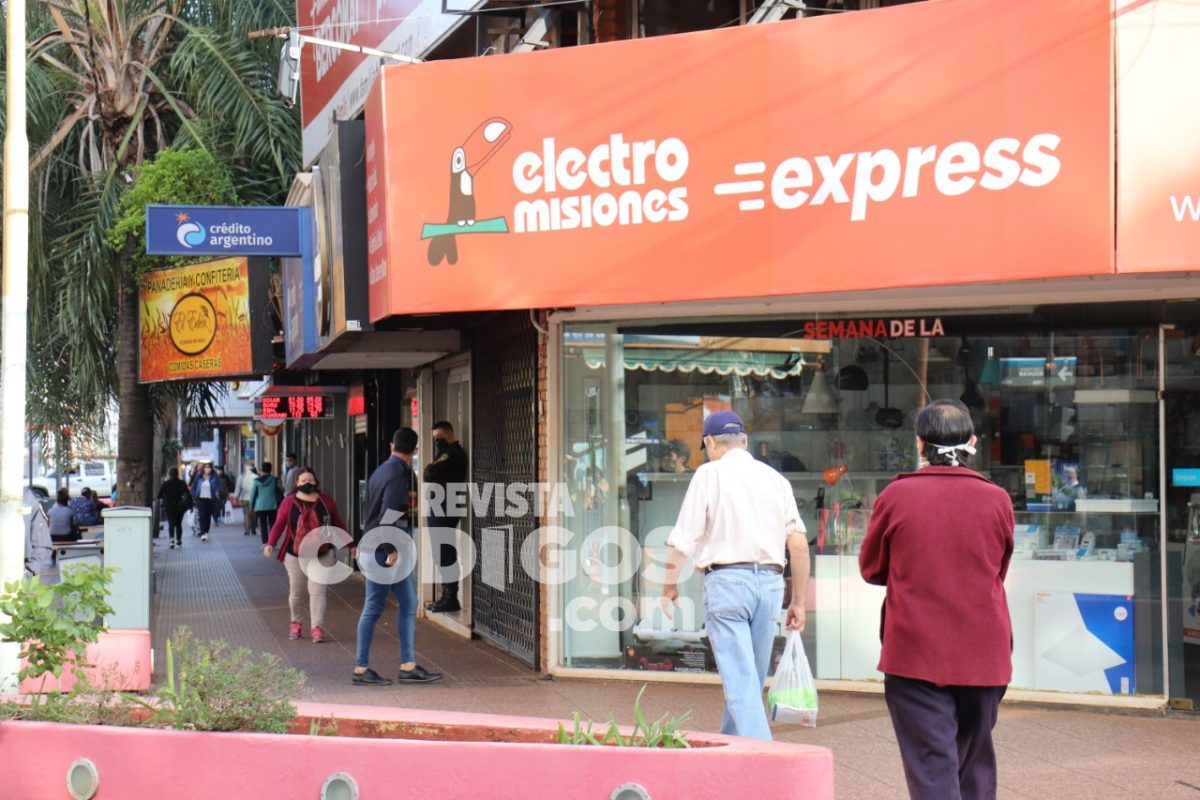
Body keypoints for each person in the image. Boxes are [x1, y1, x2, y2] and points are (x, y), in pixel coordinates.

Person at [858, 399, 1014, 800]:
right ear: (973, 442)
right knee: (976, 760)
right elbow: (999, 569)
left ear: (919, 443)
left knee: (932, 764)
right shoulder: (997, 498)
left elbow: (872, 568)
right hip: (985, 651)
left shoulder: (897, 494)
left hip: (915, 650)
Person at [660, 410, 809, 741]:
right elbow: (798, 546)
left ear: (710, 443)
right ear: (745, 441)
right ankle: (733, 747)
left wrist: (668, 584)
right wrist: (798, 601)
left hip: (727, 583)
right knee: (749, 678)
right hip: (770, 585)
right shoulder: (776, 480)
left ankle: (764, 759)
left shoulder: (708, 475)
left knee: (741, 680)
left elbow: (683, 538)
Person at [354, 427, 442, 686]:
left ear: (392, 445)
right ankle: (361, 668)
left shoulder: (382, 470)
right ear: (415, 450)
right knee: (374, 607)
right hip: (384, 548)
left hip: (378, 545)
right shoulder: (398, 474)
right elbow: (390, 511)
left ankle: (408, 665)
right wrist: (389, 549)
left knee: (408, 602)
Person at [262, 467, 346, 644]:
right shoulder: (288, 502)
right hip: (295, 555)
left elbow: (337, 522)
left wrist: (351, 544)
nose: (307, 483)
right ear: (296, 484)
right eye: (303, 481)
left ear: (316, 482)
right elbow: (279, 525)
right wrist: (270, 543)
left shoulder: (326, 501)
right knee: (297, 592)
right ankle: (296, 622)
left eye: (310, 480)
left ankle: (317, 627)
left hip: (322, 554)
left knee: (317, 591)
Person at [424, 420, 468, 613]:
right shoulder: (444, 454)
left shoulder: (454, 454)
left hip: (447, 506)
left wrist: (433, 467)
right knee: (439, 552)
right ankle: (445, 595)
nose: (437, 441)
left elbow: (429, 472)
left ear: (449, 435)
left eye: (440, 437)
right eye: (434, 438)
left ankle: (451, 597)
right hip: (439, 506)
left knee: (445, 552)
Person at [157, 467, 192, 550]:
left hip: (169, 505)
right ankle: (179, 540)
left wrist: (166, 497)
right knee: (178, 524)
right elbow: (187, 494)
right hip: (179, 506)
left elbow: (159, 495)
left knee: (171, 523)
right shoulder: (182, 483)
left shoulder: (166, 483)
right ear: (177, 473)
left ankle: (171, 539)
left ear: (169, 474)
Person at [249, 462, 283, 545]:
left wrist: (251, 507)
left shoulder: (256, 481)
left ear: (261, 470)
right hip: (273, 505)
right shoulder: (275, 479)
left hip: (260, 506)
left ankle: (264, 542)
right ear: (271, 469)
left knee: (263, 524)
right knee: (272, 524)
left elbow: (253, 494)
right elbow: (282, 489)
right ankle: (272, 542)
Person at [189, 462, 223, 542]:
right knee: (202, 516)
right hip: (201, 499)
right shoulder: (199, 477)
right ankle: (203, 532)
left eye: (209, 467)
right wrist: (193, 496)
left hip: (210, 500)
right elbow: (194, 488)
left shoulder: (214, 478)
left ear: (211, 469)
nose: (207, 469)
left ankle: (206, 531)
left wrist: (217, 493)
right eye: (206, 467)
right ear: (203, 469)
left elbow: (217, 487)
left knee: (208, 517)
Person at [234, 461, 259, 536]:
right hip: (254, 498)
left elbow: (238, 488)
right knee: (253, 514)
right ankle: (253, 529)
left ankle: (247, 530)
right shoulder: (256, 477)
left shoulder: (241, 476)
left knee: (246, 514)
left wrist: (236, 497)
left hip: (244, 498)